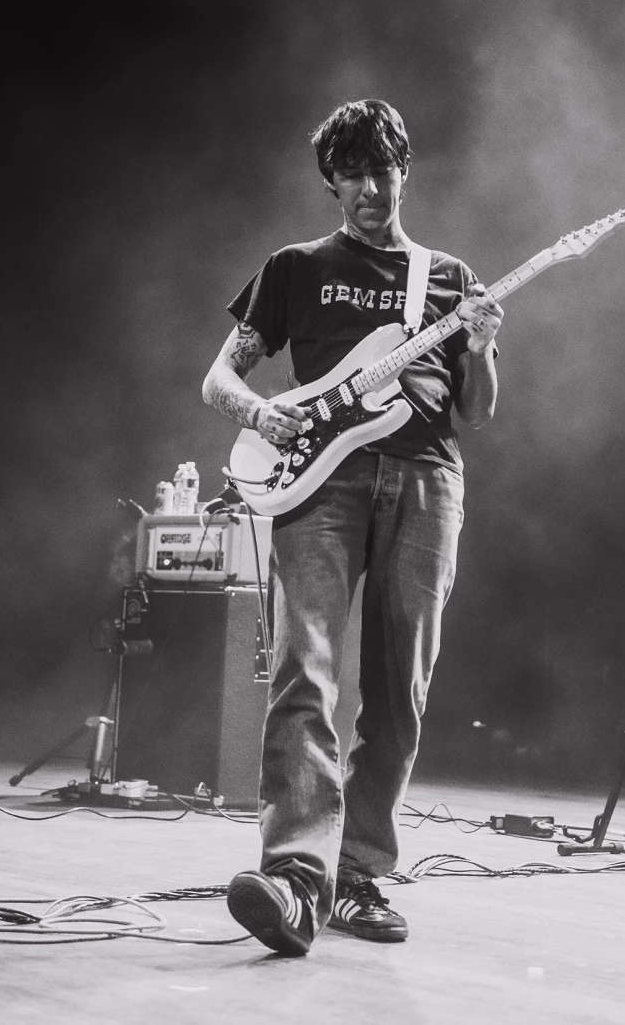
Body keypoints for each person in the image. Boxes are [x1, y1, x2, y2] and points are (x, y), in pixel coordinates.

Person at [202, 99, 503, 955]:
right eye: (354, 173)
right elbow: (220, 378)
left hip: (426, 478)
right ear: (331, 180)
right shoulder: (295, 267)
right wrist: (263, 418)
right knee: (307, 670)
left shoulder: (447, 276)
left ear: (406, 170)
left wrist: (479, 347)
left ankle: (359, 873)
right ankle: (297, 880)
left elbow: (476, 413)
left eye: (386, 169)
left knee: (400, 687)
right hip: (318, 487)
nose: (372, 188)